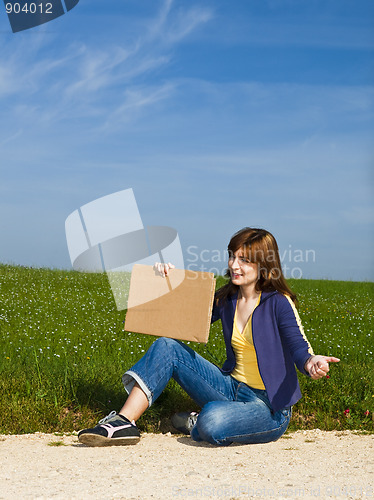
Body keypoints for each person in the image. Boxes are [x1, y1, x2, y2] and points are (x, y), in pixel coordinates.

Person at [78, 227, 339, 447]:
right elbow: (183, 312)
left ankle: (199, 421)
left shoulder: (278, 303)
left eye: (244, 260)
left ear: (264, 264)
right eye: (232, 256)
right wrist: (164, 279)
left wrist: (310, 362)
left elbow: (298, 345)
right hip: (229, 387)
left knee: (212, 421)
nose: (234, 265)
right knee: (167, 346)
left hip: (268, 408)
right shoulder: (228, 298)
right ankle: (124, 422)